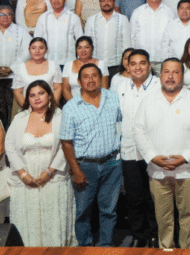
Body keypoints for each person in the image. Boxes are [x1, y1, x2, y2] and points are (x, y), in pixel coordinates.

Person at [133, 58, 190, 249]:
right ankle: (166, 249)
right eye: (167, 72)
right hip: (157, 170)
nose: (171, 76)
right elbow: (138, 130)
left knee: (188, 218)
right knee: (163, 218)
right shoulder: (148, 100)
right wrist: (152, 157)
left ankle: (187, 251)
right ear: (160, 75)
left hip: (188, 169)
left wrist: (185, 156)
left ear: (182, 76)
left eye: (176, 72)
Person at [5, 80, 76, 246]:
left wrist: (49, 172)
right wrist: (23, 174)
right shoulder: (19, 118)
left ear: (49, 95)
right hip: (25, 177)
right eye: (32, 95)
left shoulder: (60, 115)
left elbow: (65, 146)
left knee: (52, 216)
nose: (37, 98)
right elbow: (9, 147)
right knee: (28, 217)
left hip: (53, 175)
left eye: (41, 93)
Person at [60, 64, 123, 247]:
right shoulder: (71, 107)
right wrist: (76, 170)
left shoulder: (113, 98)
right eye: (85, 77)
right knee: (83, 211)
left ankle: (105, 246)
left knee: (109, 210)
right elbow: (66, 142)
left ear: (101, 78)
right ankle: (85, 248)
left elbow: (122, 123)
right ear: (79, 82)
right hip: (85, 166)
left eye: (94, 75)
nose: (90, 80)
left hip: (112, 163)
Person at [114, 50, 159, 247]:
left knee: (154, 195)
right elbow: (117, 117)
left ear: (149, 65)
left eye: (142, 63)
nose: (138, 67)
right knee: (134, 197)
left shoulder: (159, 86)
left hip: (154, 150)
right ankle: (139, 236)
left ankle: (154, 234)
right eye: (133, 63)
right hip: (129, 148)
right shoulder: (120, 86)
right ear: (127, 66)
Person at [83, 0, 132, 77]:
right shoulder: (91, 20)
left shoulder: (123, 19)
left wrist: (126, 64)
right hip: (96, 64)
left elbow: (127, 43)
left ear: (114, 2)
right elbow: (87, 44)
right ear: (99, 3)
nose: (106, 3)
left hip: (117, 65)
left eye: (109, 0)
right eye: (103, 1)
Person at [34, 0, 84, 69]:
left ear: (65, 0)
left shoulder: (74, 18)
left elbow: (80, 41)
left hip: (68, 63)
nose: (56, 1)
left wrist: (80, 61)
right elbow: (37, 41)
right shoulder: (43, 18)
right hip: (47, 62)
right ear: (50, 0)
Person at [130, 0, 173, 69]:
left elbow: (173, 37)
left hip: (163, 60)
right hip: (142, 61)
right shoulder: (137, 12)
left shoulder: (169, 13)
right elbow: (132, 36)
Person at [11, 37, 63, 107]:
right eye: (33, 48)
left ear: (46, 50)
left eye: (41, 48)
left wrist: (52, 107)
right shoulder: (20, 68)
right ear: (29, 50)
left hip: (50, 108)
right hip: (28, 109)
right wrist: (28, 109)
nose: (37, 51)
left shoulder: (54, 66)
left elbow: (57, 88)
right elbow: (18, 93)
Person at [62, 36, 109, 101]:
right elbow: (65, 90)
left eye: (87, 47)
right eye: (80, 48)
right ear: (76, 49)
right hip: (74, 105)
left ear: (92, 48)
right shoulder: (68, 65)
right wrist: (74, 106)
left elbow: (104, 89)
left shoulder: (101, 64)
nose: (83, 50)